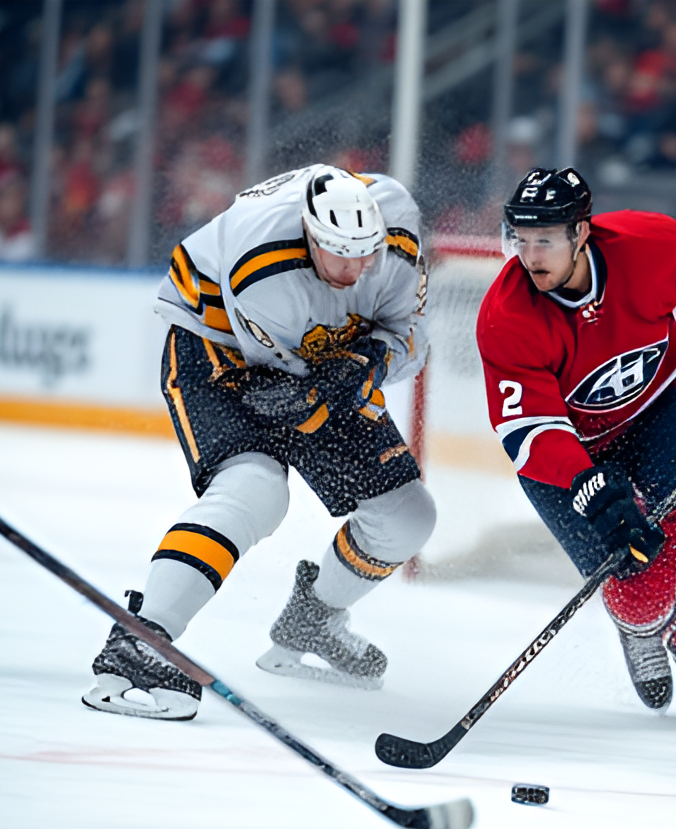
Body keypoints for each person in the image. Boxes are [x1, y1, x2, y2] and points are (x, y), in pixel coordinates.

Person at [84, 165, 434, 720]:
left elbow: (410, 335)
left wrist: (371, 360)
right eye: (341, 256)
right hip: (218, 342)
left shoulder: (396, 231)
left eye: (366, 255)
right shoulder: (264, 268)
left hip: (307, 352)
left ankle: (312, 619)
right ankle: (141, 639)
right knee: (255, 490)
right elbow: (293, 392)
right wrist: (342, 378)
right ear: (309, 234)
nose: (357, 270)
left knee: (407, 518)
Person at [476, 168, 676, 721]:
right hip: (568, 455)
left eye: (546, 240)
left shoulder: (646, 246)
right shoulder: (506, 315)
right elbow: (528, 429)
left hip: (656, 409)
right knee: (641, 574)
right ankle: (643, 631)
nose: (531, 256)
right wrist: (587, 484)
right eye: (521, 239)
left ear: (582, 233)